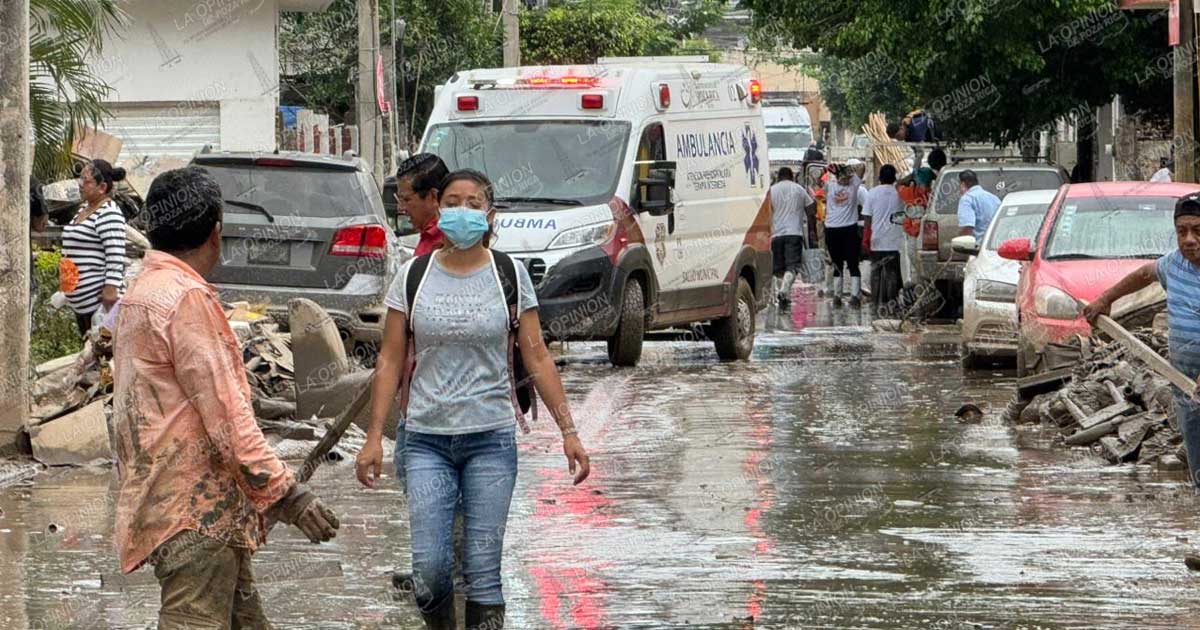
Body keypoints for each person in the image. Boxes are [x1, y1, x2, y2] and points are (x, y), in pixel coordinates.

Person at [355, 169, 590, 630]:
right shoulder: (413, 275)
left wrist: (569, 431)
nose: (463, 210)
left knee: (483, 575)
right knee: (429, 570)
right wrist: (373, 438)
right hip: (424, 441)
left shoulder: (509, 274)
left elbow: (538, 357)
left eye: (474, 202)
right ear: (439, 210)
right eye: (453, 201)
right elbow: (389, 360)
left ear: (490, 213)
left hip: (491, 441)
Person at [111, 167, 340, 629]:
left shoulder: (141, 293)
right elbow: (228, 418)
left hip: (168, 501)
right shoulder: (186, 299)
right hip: (195, 512)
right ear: (217, 233)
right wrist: (288, 494)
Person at [1084, 193, 1200, 487]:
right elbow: (1144, 274)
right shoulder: (1173, 266)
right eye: (1181, 231)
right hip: (1187, 389)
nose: (1188, 239)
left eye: (1198, 231)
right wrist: (1106, 299)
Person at [62, 159, 127, 336]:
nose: (81, 184)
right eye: (80, 179)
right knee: (90, 353)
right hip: (82, 304)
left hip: (98, 303)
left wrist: (111, 288)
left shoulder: (109, 212)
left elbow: (115, 253)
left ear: (102, 187)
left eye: (87, 181)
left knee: (101, 354)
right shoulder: (84, 208)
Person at [769, 166, 817, 306]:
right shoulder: (799, 189)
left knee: (778, 268)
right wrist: (812, 231)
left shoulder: (771, 191)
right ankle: (784, 291)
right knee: (793, 266)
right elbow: (811, 211)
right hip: (794, 233)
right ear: (792, 176)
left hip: (776, 234)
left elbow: (766, 213)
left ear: (779, 177)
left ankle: (783, 295)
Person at [862, 165, 906, 314]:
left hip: (876, 239)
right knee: (892, 273)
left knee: (876, 272)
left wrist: (866, 237)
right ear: (894, 178)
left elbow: (867, 217)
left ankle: (875, 303)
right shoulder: (900, 194)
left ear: (880, 177)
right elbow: (903, 216)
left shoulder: (872, 193)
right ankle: (891, 304)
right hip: (895, 240)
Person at [823, 164, 864, 307]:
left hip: (849, 229)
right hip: (832, 229)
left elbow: (862, 166)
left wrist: (845, 170)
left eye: (848, 177)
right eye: (842, 177)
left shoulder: (853, 185)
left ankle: (855, 296)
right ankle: (837, 296)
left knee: (853, 263)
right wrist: (837, 171)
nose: (845, 180)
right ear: (837, 177)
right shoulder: (830, 185)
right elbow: (820, 177)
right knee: (837, 264)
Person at [396, 152, 450, 256]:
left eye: (406, 200)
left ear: (434, 197)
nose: (401, 208)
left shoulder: (447, 242)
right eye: (400, 199)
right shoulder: (428, 236)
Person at [956, 169, 1001, 240]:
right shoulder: (994, 198)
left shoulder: (967, 199)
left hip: (977, 247)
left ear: (963, 184)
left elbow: (967, 228)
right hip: (995, 245)